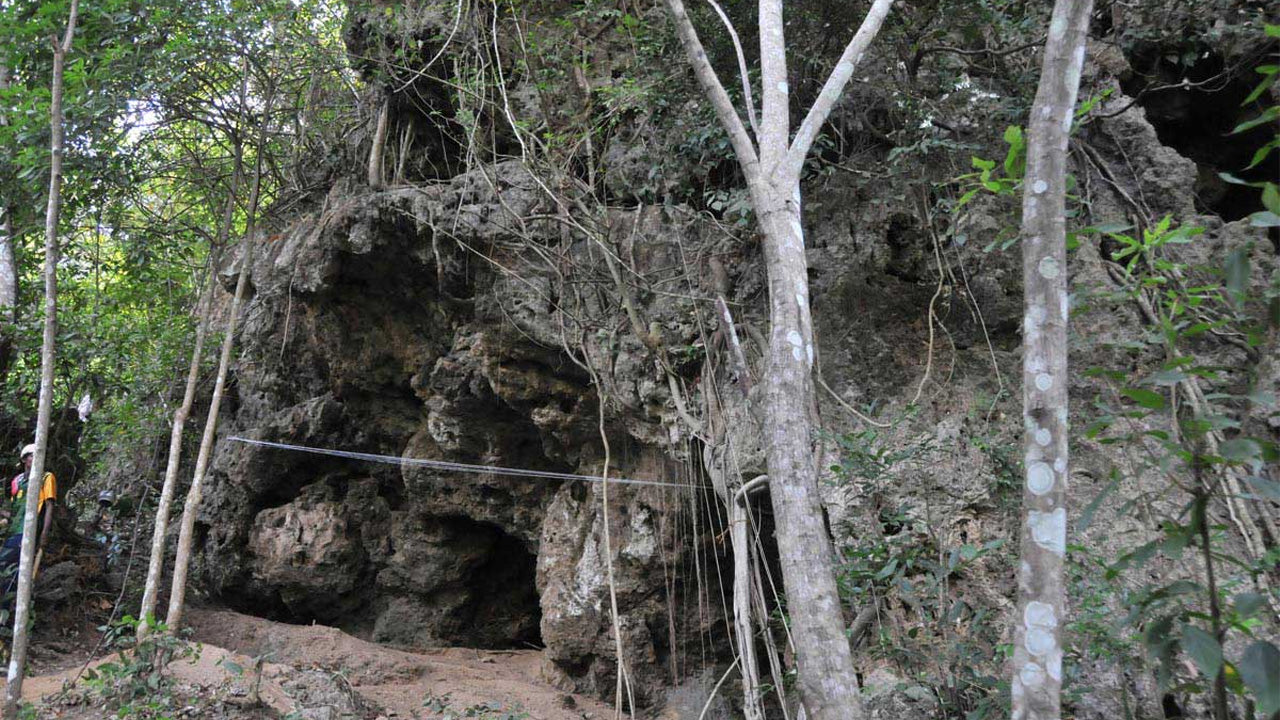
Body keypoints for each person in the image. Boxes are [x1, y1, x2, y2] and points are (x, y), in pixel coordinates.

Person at [1, 443, 57, 599]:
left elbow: (49, 506)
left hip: (29, 530)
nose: (36, 459)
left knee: (8, 564)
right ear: (24, 459)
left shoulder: (46, 477)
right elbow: (14, 509)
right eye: (32, 456)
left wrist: (44, 533)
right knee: (7, 570)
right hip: (13, 530)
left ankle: (10, 604)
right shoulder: (17, 480)